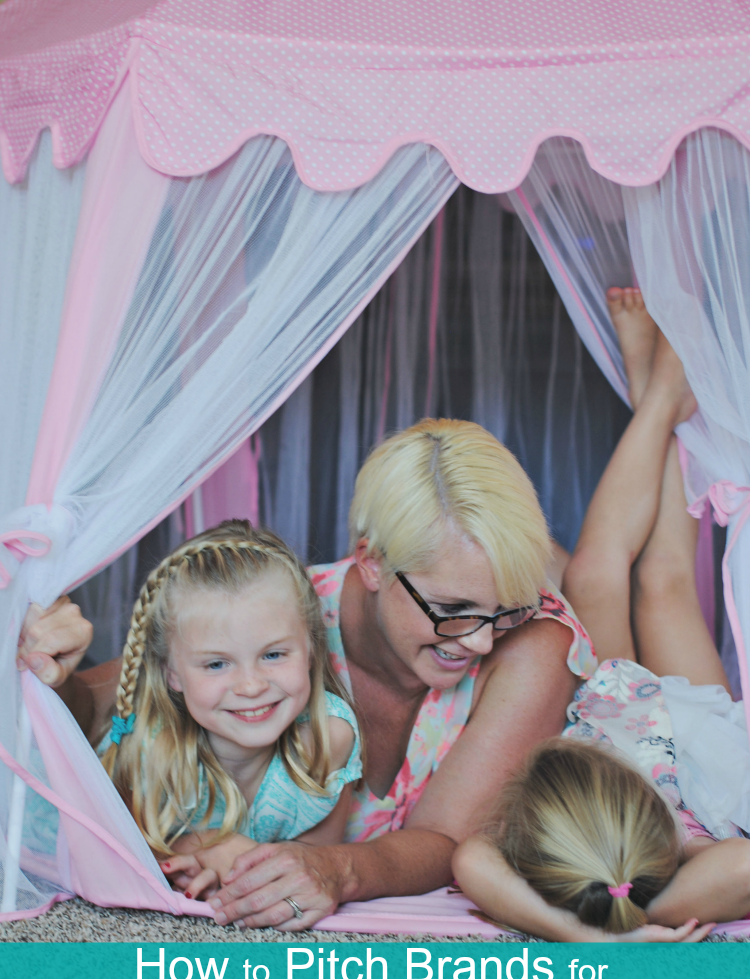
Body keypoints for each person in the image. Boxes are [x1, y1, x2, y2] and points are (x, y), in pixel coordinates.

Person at [17, 418, 596, 929]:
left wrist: (335, 869)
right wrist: (52, 669)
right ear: (371, 563)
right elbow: (108, 706)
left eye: (505, 607)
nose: (480, 639)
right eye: (450, 611)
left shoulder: (532, 643)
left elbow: (447, 842)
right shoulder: (278, 618)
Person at [453, 289, 750, 941]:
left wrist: (586, 936)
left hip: (623, 712)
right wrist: (646, 916)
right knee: (664, 579)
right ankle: (664, 393)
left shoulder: (566, 856)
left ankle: (658, 393)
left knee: (593, 573)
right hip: (707, 745)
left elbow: (470, 860)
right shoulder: (680, 873)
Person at [97, 522, 362, 909]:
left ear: (310, 647)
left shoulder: (330, 737)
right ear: (172, 672)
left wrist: (241, 861)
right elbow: (107, 856)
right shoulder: (147, 748)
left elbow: (316, 860)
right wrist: (198, 847)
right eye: (217, 664)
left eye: (273, 654)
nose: (251, 686)